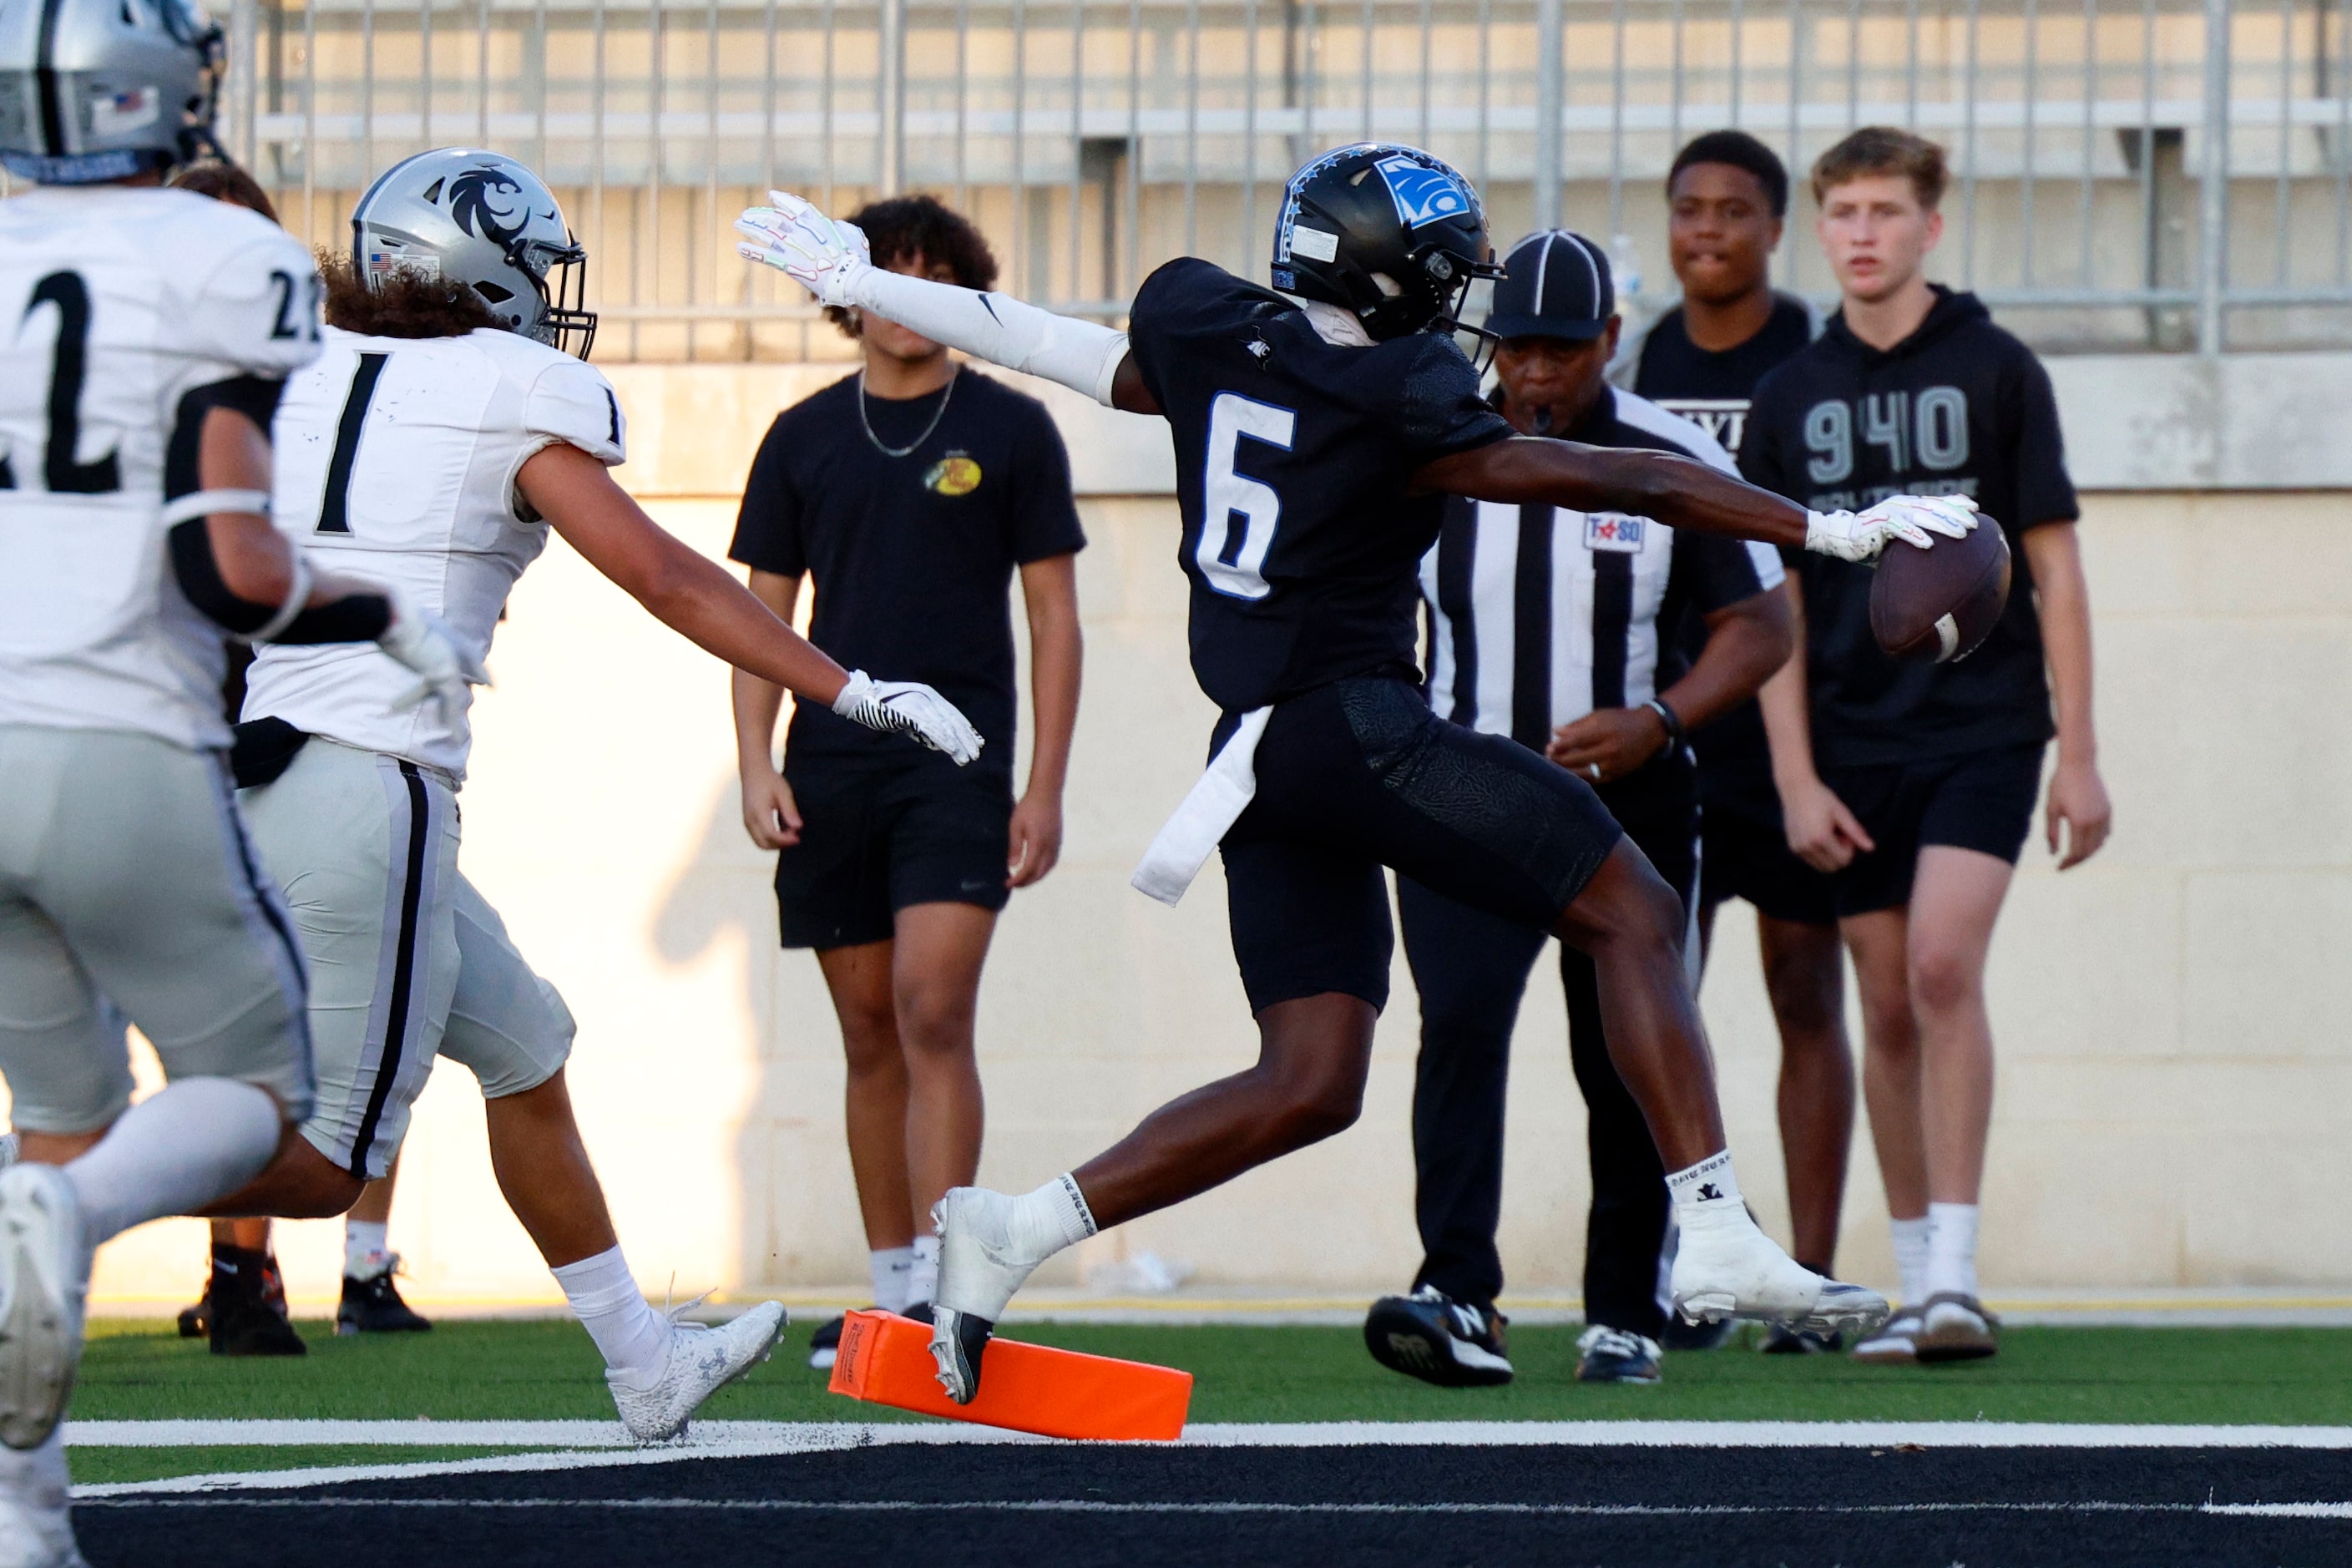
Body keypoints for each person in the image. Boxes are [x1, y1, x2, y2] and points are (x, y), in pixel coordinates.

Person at [740, 140, 1979, 1404]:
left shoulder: (1204, 320)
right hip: (1352, 728)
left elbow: (1037, 337)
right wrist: (1828, 526)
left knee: (1310, 1076)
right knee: (1637, 907)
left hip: (1255, 757)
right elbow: (1623, 475)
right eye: (1442, 272)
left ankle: (1013, 1229)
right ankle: (1711, 1231)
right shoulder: (1398, 389)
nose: (1458, 299)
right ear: (1387, 276)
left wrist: (868, 282)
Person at [203, 147, 986, 1440]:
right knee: (321, 1165)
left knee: (526, 1045)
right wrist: (848, 690)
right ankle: (51, 1186)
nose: (548, 292)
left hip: (246, 765)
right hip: (364, 789)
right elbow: (669, 579)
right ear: (476, 265)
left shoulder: (294, 364)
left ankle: (641, 1358)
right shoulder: (513, 384)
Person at [0, 2, 480, 1554]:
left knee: (60, 1117)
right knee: (260, 1109)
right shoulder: (235, 261)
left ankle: (26, 1516)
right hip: (114, 740)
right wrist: (383, 613)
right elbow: (229, 565)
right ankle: (60, 1218)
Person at [1363, 230, 1793, 1389]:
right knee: (1455, 1028)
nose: (1537, 376)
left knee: (1624, 1052)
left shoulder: (1665, 453)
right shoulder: (1433, 445)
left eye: (1562, 350)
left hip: (1631, 796)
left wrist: (1656, 718)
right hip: (1459, 788)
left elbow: (1760, 627)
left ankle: (1622, 1308)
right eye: (1517, 351)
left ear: (1610, 340)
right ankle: (1458, 1289)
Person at [1742, 127, 2112, 1363]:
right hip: (1849, 739)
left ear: (1928, 228)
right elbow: (1776, 607)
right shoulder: (1789, 394)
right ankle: (1911, 1285)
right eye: (1840, 210)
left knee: (1943, 969)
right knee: (1883, 1003)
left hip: (1982, 727)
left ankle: (1953, 1272)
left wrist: (2079, 749)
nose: (1860, 232)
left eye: (1883, 210)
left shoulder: (1998, 368)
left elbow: (2052, 566)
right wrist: (1791, 773)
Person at [729, 195, 1084, 1370]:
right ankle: (889, 1286)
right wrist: (754, 761)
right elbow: (755, 619)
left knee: (936, 1006)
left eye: (933, 272)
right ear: (848, 290)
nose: (907, 292)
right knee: (867, 1028)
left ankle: (950, 1280)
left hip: (960, 764)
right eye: (887, 271)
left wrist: (1044, 786)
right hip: (833, 762)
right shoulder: (799, 436)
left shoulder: (1016, 429)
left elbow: (1054, 618)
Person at [164, 159, 431, 1358]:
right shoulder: (142, 385)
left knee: (399, 1014)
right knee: (228, 1037)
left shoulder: (324, 378)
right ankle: (234, 1265)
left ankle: (343, 1266)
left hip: (311, 736)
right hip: (172, 748)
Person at [1619, 130, 1857, 1353]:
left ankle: (1807, 1274)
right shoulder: (1645, 356)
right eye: (1686, 210)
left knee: (1803, 988)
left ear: (1773, 228)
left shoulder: (1808, 360)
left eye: (1730, 211)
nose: (1704, 230)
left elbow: (1805, 565)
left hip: (1788, 728)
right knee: (1663, 990)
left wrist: (1805, 752)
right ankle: (1692, 1262)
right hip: (1672, 716)